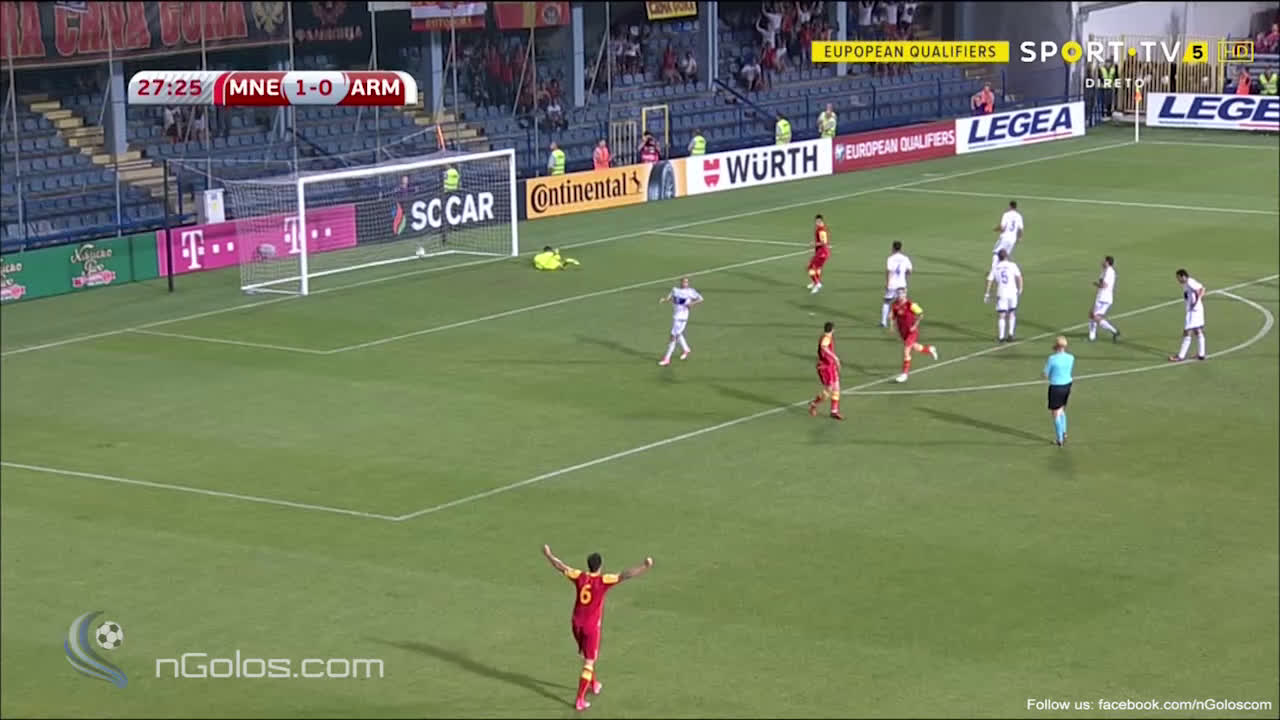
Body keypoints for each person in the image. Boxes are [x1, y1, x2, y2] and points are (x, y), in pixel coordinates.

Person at [541, 545, 653, 712]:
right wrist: (644, 566)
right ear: (600, 566)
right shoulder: (603, 580)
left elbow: (561, 566)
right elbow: (625, 575)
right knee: (589, 661)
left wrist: (549, 555)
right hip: (591, 627)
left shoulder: (579, 576)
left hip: (576, 623)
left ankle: (593, 684)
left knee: (587, 656)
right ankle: (580, 700)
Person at [889, 288, 939, 383]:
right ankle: (929, 350)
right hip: (903, 332)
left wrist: (915, 326)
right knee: (915, 347)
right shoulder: (895, 305)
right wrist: (892, 326)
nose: (899, 296)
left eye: (901, 294)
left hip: (912, 331)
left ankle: (904, 374)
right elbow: (893, 316)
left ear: (905, 294)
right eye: (898, 294)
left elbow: (921, 314)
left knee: (906, 351)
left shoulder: (911, 305)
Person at [658, 276, 702, 365]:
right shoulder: (675, 290)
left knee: (673, 336)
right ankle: (686, 349)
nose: (685, 284)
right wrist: (664, 299)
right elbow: (671, 298)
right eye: (684, 282)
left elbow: (700, 299)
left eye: (687, 282)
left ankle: (667, 359)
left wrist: (692, 304)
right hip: (676, 316)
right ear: (681, 283)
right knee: (678, 334)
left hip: (683, 317)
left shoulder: (690, 292)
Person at [984, 249, 1023, 343]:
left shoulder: (995, 267)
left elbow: (990, 280)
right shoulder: (1012, 265)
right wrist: (1020, 288)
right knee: (1012, 313)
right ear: (1006, 256)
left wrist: (987, 293)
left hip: (1002, 293)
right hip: (1012, 292)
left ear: (998, 257)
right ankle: (1010, 335)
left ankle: (1001, 337)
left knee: (1002, 315)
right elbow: (1019, 277)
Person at [808, 321, 844, 420]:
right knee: (829, 389)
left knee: (836, 388)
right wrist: (835, 358)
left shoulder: (827, 337)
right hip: (825, 367)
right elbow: (824, 347)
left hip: (831, 366)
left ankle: (834, 411)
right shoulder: (826, 338)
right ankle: (813, 404)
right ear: (833, 330)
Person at [1170, 268, 1207, 362]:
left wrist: (1196, 302)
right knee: (1197, 330)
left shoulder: (1190, 282)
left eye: (1178, 278)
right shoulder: (1186, 283)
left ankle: (1181, 356)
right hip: (1195, 310)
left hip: (1193, 311)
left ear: (1183, 276)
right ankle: (1201, 354)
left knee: (1187, 332)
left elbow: (1202, 289)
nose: (1178, 280)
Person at [1043, 336, 1075, 446]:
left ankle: (1059, 439)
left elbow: (1046, 374)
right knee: (1061, 409)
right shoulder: (1071, 357)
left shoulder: (1052, 359)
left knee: (1055, 413)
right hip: (1067, 385)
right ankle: (1064, 433)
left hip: (1056, 387)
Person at [1088, 256, 1121, 342]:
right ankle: (1093, 335)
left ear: (1107, 262)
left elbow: (1104, 285)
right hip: (1107, 297)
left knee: (1094, 316)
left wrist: (1096, 284)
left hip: (1103, 297)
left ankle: (1113, 331)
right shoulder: (1107, 271)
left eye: (1104, 261)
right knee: (1093, 314)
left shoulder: (1108, 271)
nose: (1102, 262)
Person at [882, 240, 913, 328]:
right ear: (900, 248)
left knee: (887, 302)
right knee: (902, 303)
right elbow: (910, 270)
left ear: (893, 248)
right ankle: (905, 320)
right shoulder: (905, 258)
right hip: (902, 284)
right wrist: (904, 276)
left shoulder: (890, 258)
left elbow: (888, 271)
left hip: (892, 284)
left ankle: (883, 322)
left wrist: (887, 283)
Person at [991, 199, 1023, 272]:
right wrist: (1020, 237)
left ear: (1010, 206)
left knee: (996, 253)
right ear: (1016, 207)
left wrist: (996, 229)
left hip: (1005, 237)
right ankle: (1005, 271)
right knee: (1005, 255)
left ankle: (993, 272)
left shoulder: (1006, 214)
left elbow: (1002, 227)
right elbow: (1021, 228)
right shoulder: (1019, 216)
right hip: (1012, 239)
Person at [806, 214, 830, 293]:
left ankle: (817, 284)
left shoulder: (821, 230)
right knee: (818, 268)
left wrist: (814, 244)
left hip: (822, 252)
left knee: (810, 268)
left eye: (818, 221)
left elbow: (824, 242)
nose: (817, 223)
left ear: (821, 221)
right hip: (823, 252)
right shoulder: (820, 228)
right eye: (816, 221)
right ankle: (816, 282)